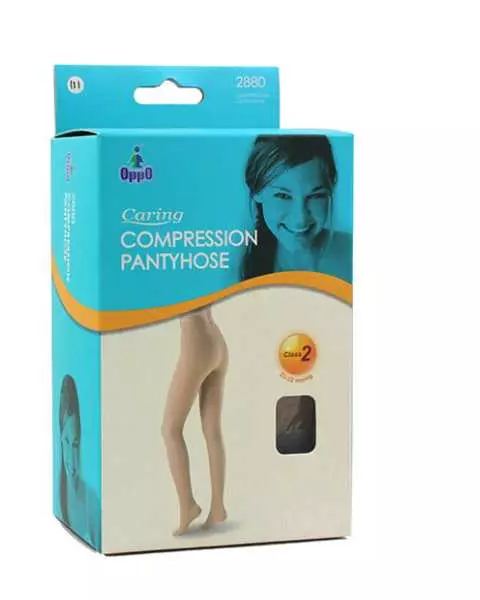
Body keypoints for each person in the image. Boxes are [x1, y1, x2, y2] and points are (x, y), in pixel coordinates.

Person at [242, 135, 352, 282]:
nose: (300, 218)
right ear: (257, 191)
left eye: (315, 196)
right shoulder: (234, 268)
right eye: (283, 196)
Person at [162, 307, 229, 536]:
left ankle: (187, 505)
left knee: (170, 429)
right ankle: (218, 507)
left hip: (196, 340)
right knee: (212, 429)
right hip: (216, 339)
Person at [58, 375, 101, 548]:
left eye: (76, 444)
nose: (71, 457)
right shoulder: (59, 499)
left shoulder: (93, 505)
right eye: (66, 441)